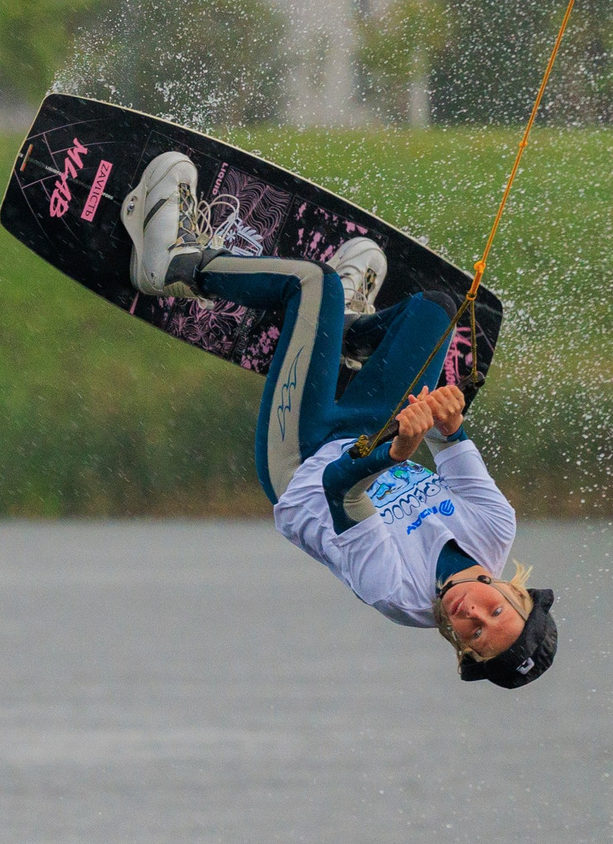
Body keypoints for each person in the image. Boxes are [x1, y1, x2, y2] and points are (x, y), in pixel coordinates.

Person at [119, 151, 558, 689]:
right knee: (437, 310)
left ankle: (168, 264)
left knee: (313, 283)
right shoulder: (495, 527)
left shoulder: (397, 594)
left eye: (473, 634)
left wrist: (397, 452)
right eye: (496, 611)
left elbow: (339, 490)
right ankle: (350, 331)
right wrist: (447, 417)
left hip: (301, 462)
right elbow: (450, 438)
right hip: (364, 429)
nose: (474, 613)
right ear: (512, 591)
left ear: (461, 653)